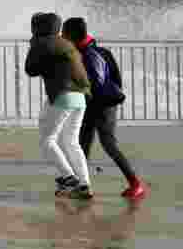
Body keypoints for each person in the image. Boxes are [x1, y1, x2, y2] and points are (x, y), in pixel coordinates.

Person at [61, 17, 148, 200]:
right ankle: (81, 185)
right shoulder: (100, 52)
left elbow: (93, 83)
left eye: (64, 33)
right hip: (94, 105)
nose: (62, 36)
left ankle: (135, 184)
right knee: (82, 143)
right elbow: (116, 79)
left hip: (101, 106)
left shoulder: (87, 54)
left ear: (72, 35)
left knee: (108, 144)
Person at [25, 12, 93, 199]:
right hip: (81, 97)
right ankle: (84, 184)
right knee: (71, 142)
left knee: (47, 140)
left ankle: (68, 177)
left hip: (62, 96)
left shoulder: (41, 42)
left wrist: (35, 47)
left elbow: (30, 69)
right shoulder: (67, 43)